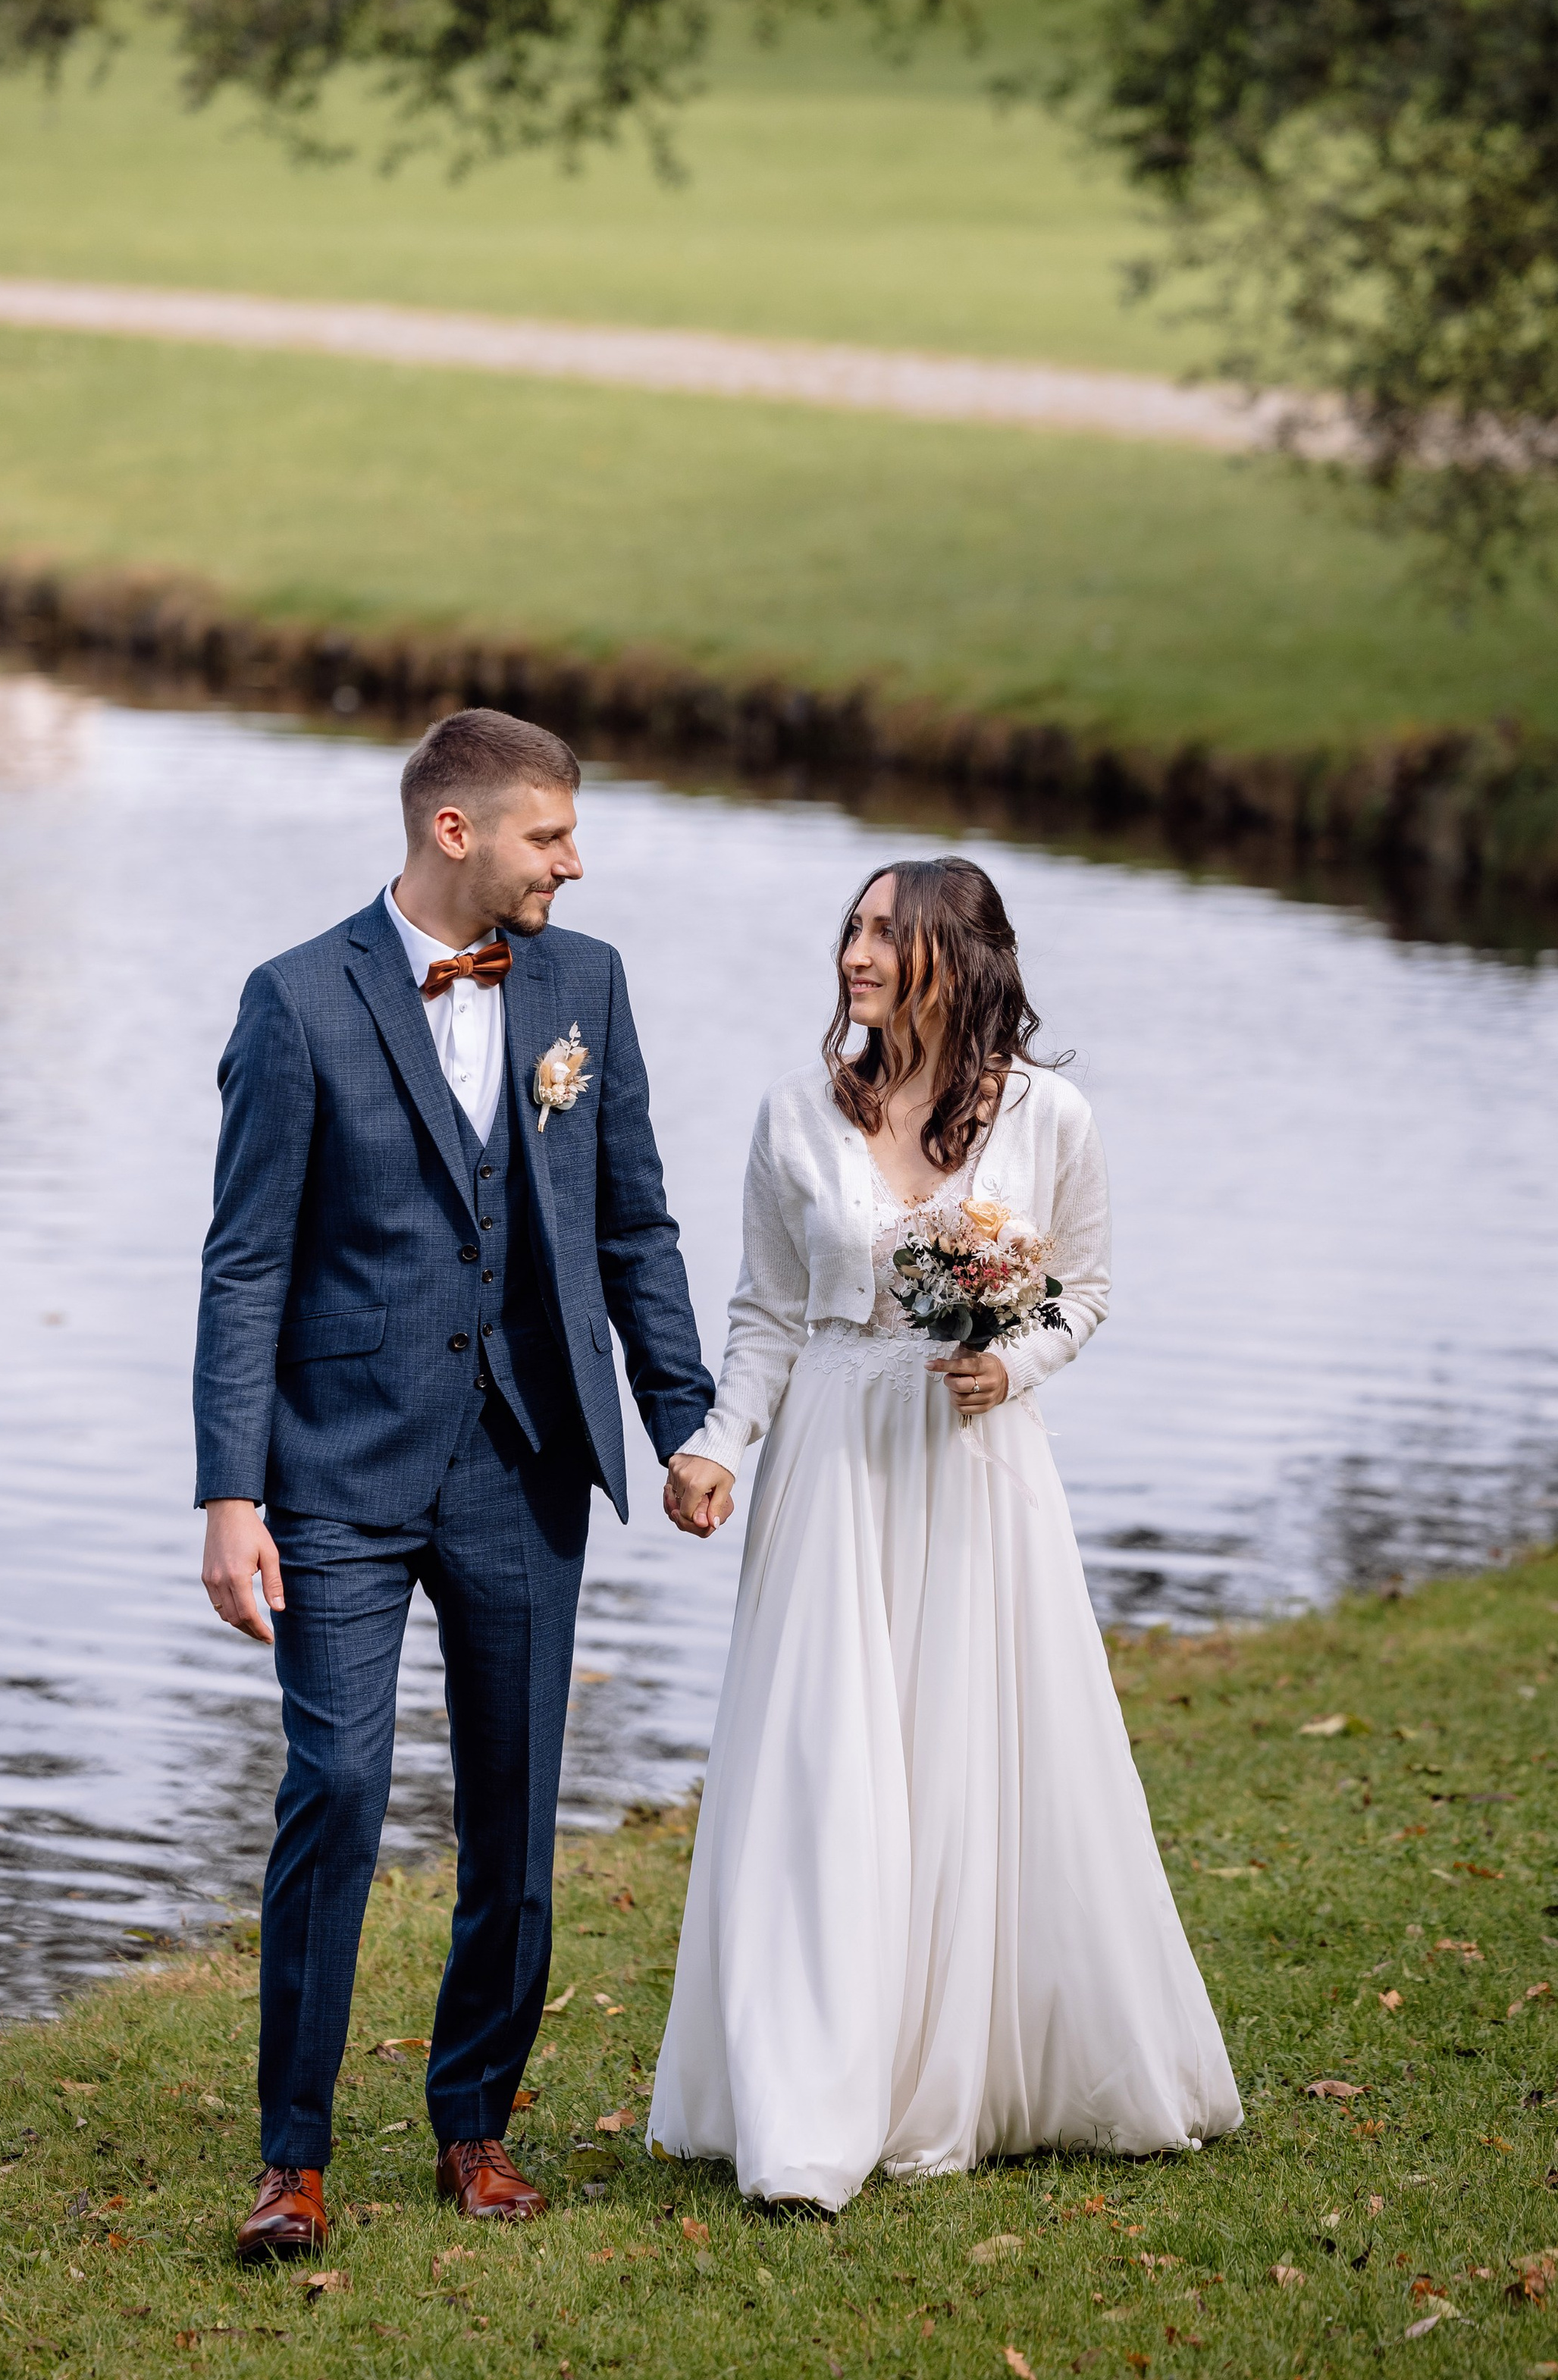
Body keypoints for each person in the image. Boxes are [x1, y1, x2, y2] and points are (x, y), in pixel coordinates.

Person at [195, 707, 713, 2262]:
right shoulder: (293, 1002)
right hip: (337, 1470)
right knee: (338, 1787)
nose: (575, 859)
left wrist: (684, 1418)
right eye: (550, 834)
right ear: (457, 833)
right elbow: (244, 1263)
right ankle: (292, 2157)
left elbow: (635, 1225)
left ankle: (471, 2123)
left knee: (514, 1810)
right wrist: (231, 1493)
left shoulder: (586, 984)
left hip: (524, 1456)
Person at [652, 856, 1240, 2209]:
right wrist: (714, 1445)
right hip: (832, 1473)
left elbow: (1082, 1291)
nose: (855, 953)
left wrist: (1011, 1365)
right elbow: (765, 1316)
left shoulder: (1051, 1118)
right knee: (822, 1769)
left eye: (884, 933)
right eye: (851, 929)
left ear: (955, 959)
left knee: (971, 1761)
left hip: (976, 1468)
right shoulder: (794, 1113)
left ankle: (961, 2071)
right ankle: (809, 2096)